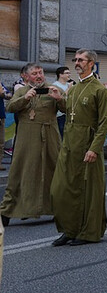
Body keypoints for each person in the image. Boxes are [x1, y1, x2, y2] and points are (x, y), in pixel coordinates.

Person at [50, 49, 107, 246]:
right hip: (69, 146)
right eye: (75, 59)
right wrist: (59, 100)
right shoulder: (74, 88)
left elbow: (104, 123)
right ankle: (70, 230)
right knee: (61, 189)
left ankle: (88, 232)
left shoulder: (99, 90)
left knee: (88, 191)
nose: (77, 63)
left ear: (91, 63)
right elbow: (70, 112)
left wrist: (94, 148)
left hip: (88, 147)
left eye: (81, 60)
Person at [1, 64, 64, 227]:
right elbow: (10, 107)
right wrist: (25, 98)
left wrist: (60, 99)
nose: (39, 76)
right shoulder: (21, 91)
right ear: (26, 77)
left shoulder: (53, 89)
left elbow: (68, 108)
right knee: (21, 171)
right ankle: (8, 210)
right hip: (26, 139)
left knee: (54, 171)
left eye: (40, 72)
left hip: (50, 136)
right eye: (34, 73)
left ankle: (58, 209)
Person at [52, 66, 72, 138]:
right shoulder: (55, 85)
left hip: (69, 114)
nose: (69, 75)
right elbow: (60, 97)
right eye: (67, 73)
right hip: (59, 115)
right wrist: (68, 89)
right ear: (60, 75)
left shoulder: (69, 85)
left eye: (69, 73)